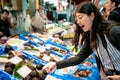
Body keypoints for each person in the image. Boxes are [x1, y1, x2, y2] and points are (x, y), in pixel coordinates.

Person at [42, 1, 120, 80]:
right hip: (109, 75)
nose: (78, 22)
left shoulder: (113, 31)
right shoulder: (91, 36)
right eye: (77, 19)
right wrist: (56, 64)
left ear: (92, 16)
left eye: (80, 17)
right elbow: (79, 57)